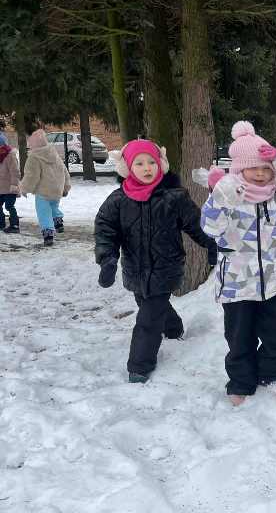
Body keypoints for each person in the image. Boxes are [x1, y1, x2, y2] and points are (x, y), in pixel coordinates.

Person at [201, 120, 276, 406]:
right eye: (253, 168)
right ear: (239, 170)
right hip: (238, 284)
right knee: (239, 337)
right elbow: (210, 228)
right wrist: (220, 198)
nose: (261, 174)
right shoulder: (229, 197)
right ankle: (241, 381)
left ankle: (273, 373)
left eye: (266, 168)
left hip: (274, 281)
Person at [94, 140, 217, 383]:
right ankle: (173, 327)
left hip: (166, 267)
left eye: (152, 162)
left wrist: (213, 245)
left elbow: (196, 225)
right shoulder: (118, 200)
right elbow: (105, 230)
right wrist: (107, 259)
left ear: (161, 164)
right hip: (135, 269)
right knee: (146, 302)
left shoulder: (174, 197)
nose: (147, 168)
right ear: (128, 168)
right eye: (139, 163)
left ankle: (139, 366)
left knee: (148, 319)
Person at [18, 129, 70, 245]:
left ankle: (48, 233)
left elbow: (32, 176)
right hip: (57, 189)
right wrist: (66, 187)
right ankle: (58, 221)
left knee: (43, 212)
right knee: (53, 207)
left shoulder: (34, 157)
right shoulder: (54, 154)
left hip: (43, 192)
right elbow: (64, 171)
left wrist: (24, 188)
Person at [0, 130, 20, 233]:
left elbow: (15, 172)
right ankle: (1, 223)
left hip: (9, 187)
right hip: (1, 187)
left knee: (9, 206)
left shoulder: (10, 155)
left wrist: (14, 185)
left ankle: (14, 225)